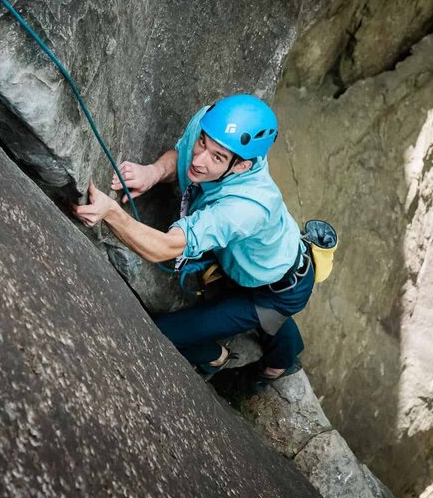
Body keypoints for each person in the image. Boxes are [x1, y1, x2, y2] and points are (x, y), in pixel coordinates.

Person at [72, 94, 312, 382]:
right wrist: (154, 172)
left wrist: (111, 213)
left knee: (165, 332)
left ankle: (231, 359)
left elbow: (165, 247)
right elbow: (183, 156)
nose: (200, 160)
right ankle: (280, 346)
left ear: (242, 166)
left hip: (277, 289)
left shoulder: (246, 209)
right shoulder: (209, 124)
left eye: (217, 157)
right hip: (250, 262)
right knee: (259, 314)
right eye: (203, 144)